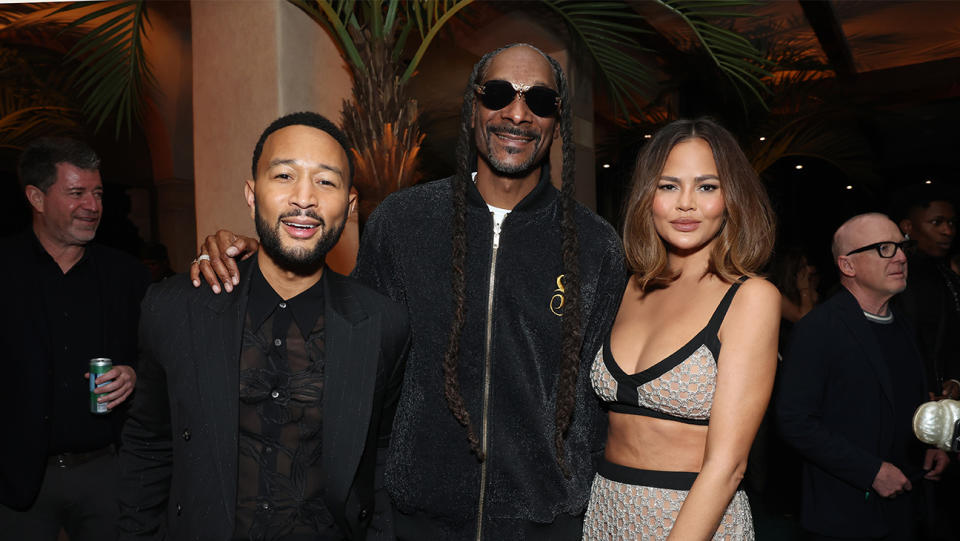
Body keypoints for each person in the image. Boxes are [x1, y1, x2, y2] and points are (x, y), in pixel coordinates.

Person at [191, 44, 626, 539]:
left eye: (541, 101)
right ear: (473, 108)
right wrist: (262, 255)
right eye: (500, 93)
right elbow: (348, 345)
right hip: (418, 519)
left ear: (556, 120)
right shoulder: (404, 222)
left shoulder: (596, 247)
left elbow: (604, 403)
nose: (518, 113)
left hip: (545, 522)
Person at [117, 112, 409, 540]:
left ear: (349, 206)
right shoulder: (176, 309)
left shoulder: (383, 324)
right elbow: (148, 443)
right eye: (285, 175)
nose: (304, 198)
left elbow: (381, 462)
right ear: (252, 195)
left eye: (325, 181)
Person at [582, 118, 779, 539]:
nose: (686, 203)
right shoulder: (628, 285)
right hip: (606, 508)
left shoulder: (750, 297)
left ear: (731, 198)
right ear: (647, 196)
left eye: (707, 186)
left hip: (693, 519)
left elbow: (728, 466)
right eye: (668, 186)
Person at [0, 137, 150, 540]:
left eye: (98, 193)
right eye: (76, 193)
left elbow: (162, 361)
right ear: (36, 197)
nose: (93, 206)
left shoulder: (128, 277)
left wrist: (135, 375)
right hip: (17, 482)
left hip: (108, 475)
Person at [777, 213, 950, 540]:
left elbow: (906, 398)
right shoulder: (819, 329)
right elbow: (794, 421)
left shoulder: (903, 324)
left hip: (908, 506)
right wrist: (870, 472)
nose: (900, 256)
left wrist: (930, 443)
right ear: (848, 265)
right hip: (847, 513)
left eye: (902, 246)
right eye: (884, 248)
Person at [893, 189, 959, 400]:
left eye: (951, 223)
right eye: (937, 222)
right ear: (908, 227)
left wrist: (956, 379)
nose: (947, 231)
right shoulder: (890, 276)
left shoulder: (948, 277)